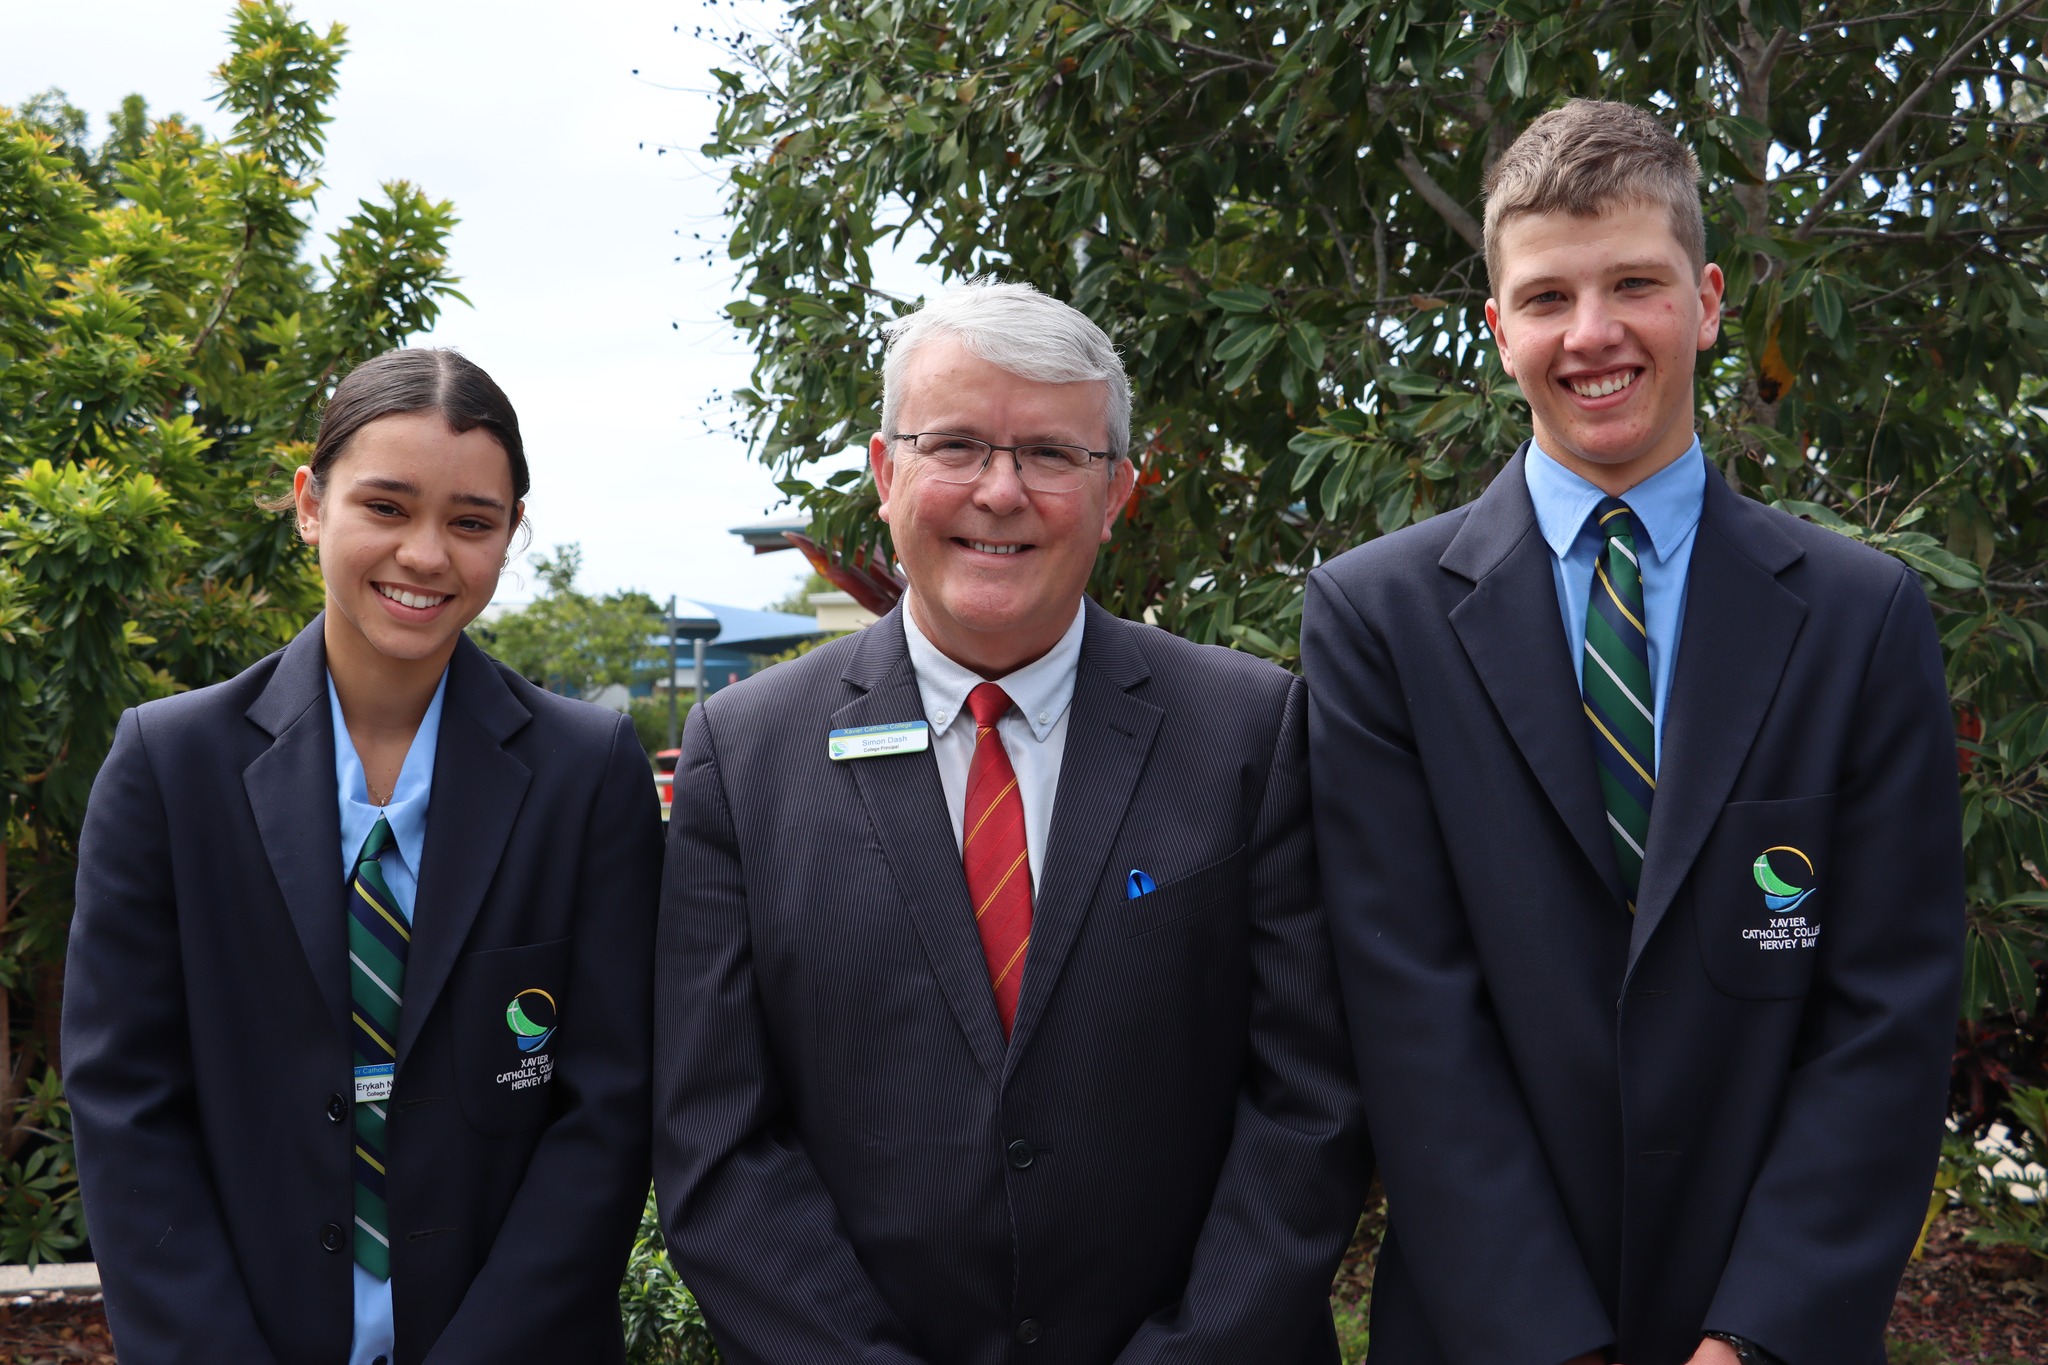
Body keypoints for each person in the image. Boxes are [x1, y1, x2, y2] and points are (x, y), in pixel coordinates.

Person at [1302, 99, 1964, 1365]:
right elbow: (1409, 1017)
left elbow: (1884, 1011)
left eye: (1634, 285)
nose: (1591, 334)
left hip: (1768, 1324)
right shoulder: (1375, 620)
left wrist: (1753, 1337)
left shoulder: (1855, 616)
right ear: (1494, 329)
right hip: (1488, 1331)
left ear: (1705, 302)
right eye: (1546, 298)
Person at [654, 279, 1367, 1364]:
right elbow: (716, 1140)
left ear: (1118, 490)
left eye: (1048, 453)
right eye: (956, 447)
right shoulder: (744, 757)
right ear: (886, 474)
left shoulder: (1248, 731)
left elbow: (1307, 1106)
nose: (1000, 491)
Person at [63, 349, 662, 1365]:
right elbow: (127, 1105)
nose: (425, 554)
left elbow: (606, 1110)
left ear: (511, 535)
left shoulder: (584, 773)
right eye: (385, 507)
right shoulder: (171, 767)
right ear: (309, 505)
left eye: (471, 521)